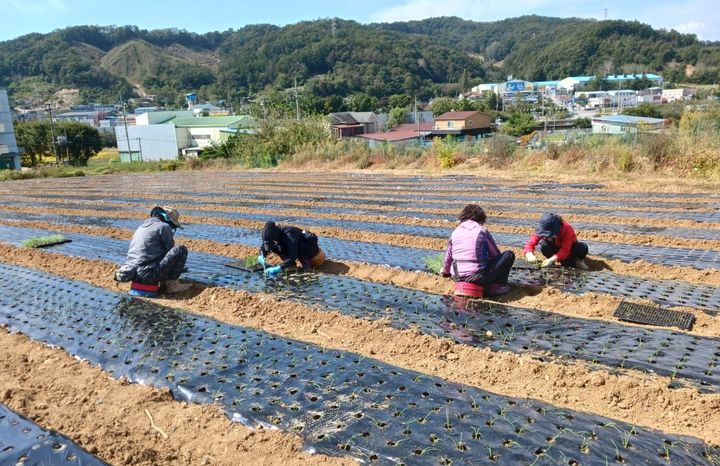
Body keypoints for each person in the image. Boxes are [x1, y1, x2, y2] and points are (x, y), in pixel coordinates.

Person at [441, 204, 515, 296]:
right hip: (478, 278)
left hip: (457, 276)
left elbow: (448, 257)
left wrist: (445, 271)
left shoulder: (455, 232)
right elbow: (495, 255)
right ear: (480, 219)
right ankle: (496, 286)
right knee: (508, 255)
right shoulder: (482, 231)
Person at [114, 205, 192, 293]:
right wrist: (179, 268)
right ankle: (172, 285)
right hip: (147, 275)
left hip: (132, 274)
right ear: (168, 221)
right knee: (180, 250)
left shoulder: (142, 227)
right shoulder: (164, 226)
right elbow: (169, 252)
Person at [258, 221, 326, 278]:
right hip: (295, 250)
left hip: (315, 256)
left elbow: (293, 255)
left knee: (298, 246)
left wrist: (279, 268)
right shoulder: (271, 236)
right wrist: (261, 255)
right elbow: (264, 247)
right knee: (274, 246)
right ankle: (290, 265)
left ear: (276, 235)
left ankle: (306, 265)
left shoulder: (290, 234)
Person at [524, 213, 589, 270]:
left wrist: (553, 258)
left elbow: (565, 250)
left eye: (550, 235)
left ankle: (578, 261)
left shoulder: (567, 229)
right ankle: (551, 263)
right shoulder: (542, 229)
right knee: (544, 245)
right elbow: (530, 244)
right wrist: (529, 254)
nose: (548, 237)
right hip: (555, 248)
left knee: (582, 248)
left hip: (570, 250)